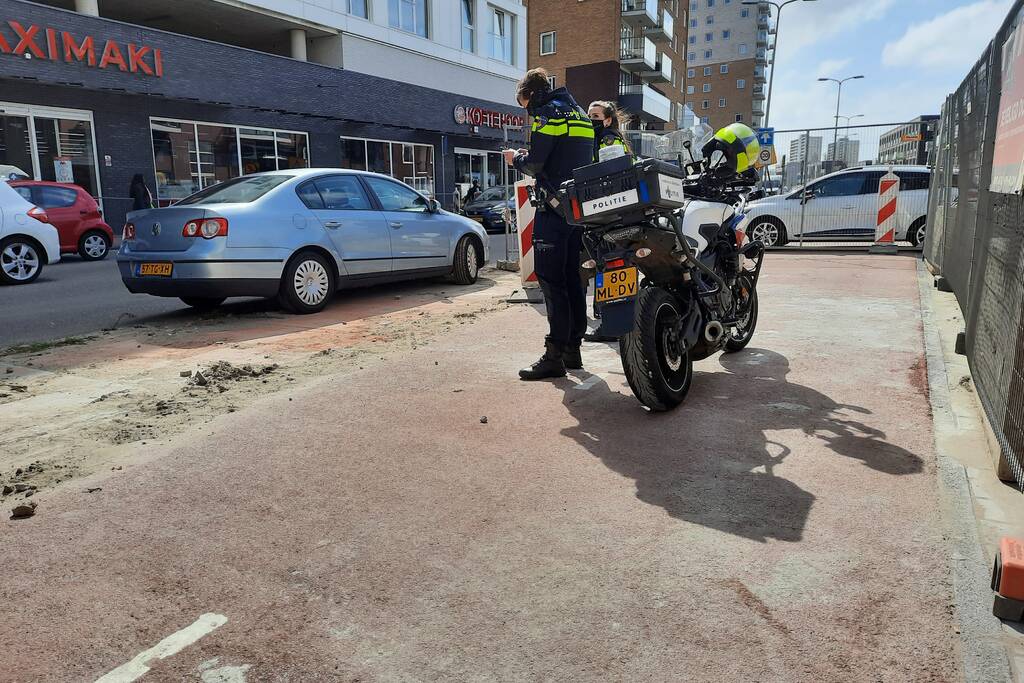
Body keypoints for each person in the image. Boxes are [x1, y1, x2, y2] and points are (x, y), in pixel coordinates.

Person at [503, 68, 595, 380]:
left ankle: (554, 355)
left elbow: (535, 164)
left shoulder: (548, 114)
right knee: (572, 280)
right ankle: (573, 351)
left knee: (551, 281)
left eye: (524, 102)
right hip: (576, 210)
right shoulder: (580, 114)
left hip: (553, 210)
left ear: (534, 95)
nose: (527, 111)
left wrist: (515, 158)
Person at [584, 101, 635, 343]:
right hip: (617, 210)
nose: (590, 118)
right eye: (588, 114)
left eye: (594, 115)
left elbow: (611, 172)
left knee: (609, 263)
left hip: (610, 210)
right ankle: (611, 319)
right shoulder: (603, 137)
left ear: (606, 120)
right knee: (609, 263)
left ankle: (611, 324)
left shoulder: (607, 139)